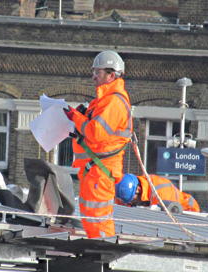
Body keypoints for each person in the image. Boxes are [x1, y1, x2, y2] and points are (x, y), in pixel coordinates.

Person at [63, 50, 132, 238]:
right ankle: (98, 246)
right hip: (94, 169)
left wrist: (76, 117)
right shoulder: (104, 100)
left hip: (100, 170)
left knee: (98, 217)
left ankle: (104, 249)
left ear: (111, 74)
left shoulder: (113, 101)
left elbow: (96, 133)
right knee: (90, 215)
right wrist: (81, 117)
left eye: (98, 72)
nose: (93, 77)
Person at [115, 174, 201, 213]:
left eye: (131, 200)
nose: (130, 203)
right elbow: (123, 203)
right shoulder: (132, 190)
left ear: (138, 189)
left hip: (190, 213)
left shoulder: (161, 195)